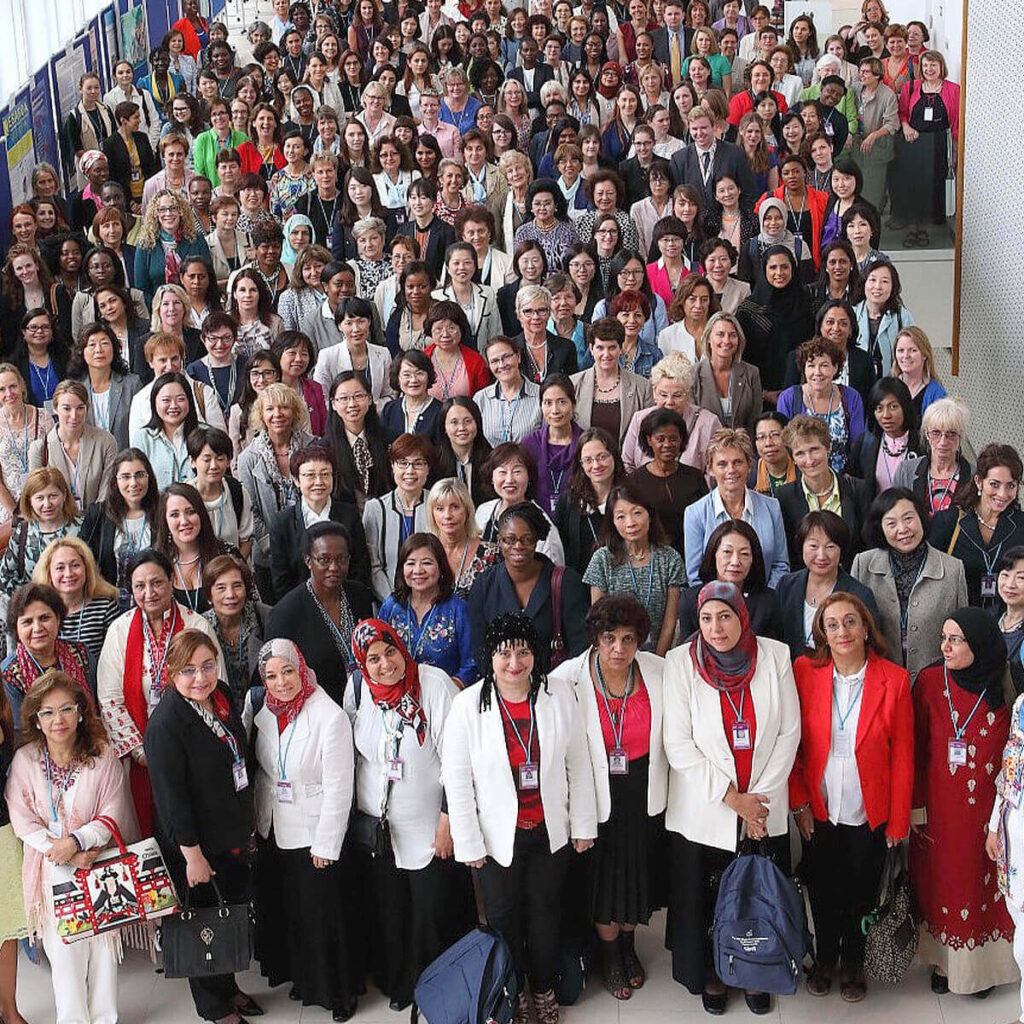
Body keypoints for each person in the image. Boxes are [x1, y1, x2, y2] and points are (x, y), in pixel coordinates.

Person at [443, 611, 597, 1024]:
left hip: (549, 832)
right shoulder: (467, 705)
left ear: (536, 654)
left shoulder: (558, 694)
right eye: (504, 653)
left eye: (523, 652)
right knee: (503, 918)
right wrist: (469, 842)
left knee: (546, 914)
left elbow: (578, 762)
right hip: (497, 839)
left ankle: (543, 987)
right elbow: (457, 781)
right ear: (489, 657)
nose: (515, 663)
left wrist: (583, 825)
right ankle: (512, 992)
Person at [662, 581, 800, 1015]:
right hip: (705, 810)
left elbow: (789, 733)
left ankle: (758, 970)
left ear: (742, 616)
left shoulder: (775, 656)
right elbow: (678, 744)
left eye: (725, 616)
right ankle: (713, 972)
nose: (716, 628)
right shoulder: (679, 662)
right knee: (705, 899)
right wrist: (733, 800)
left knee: (758, 897)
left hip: (762, 806)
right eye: (706, 619)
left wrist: (757, 802)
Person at [790, 592, 914, 1001]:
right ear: (822, 634)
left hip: (869, 809)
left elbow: (903, 756)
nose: (841, 631)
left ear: (865, 628)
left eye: (849, 622)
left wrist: (898, 821)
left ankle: (854, 962)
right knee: (822, 889)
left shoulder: (894, 679)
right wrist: (799, 802)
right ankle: (825, 957)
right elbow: (791, 744)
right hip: (820, 808)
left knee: (861, 891)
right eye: (832, 625)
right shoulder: (805, 672)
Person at [547, 594, 667, 1000]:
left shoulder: (657, 671)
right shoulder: (568, 678)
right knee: (604, 882)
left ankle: (628, 947)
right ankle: (610, 956)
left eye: (629, 639)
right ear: (596, 638)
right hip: (594, 794)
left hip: (642, 791)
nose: (619, 648)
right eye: (609, 638)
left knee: (637, 875)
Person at [345, 618, 468, 1013]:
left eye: (390, 651)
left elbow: (458, 758)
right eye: (373, 659)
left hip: (428, 825)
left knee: (429, 910)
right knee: (391, 908)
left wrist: (448, 819)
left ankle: (430, 981)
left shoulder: (433, 685)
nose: (385, 665)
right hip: (380, 827)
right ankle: (399, 980)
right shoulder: (359, 689)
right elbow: (354, 752)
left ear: (402, 647)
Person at [6, 669, 138, 1024]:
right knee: (65, 959)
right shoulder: (25, 760)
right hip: (52, 873)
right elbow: (22, 819)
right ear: (36, 719)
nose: (58, 720)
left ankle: (105, 1019)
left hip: (100, 867)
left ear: (81, 711)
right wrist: (62, 851)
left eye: (66, 709)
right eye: (47, 712)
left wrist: (79, 842)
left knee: (104, 955)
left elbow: (114, 810)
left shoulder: (102, 755)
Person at [144, 629, 263, 1024]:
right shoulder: (165, 724)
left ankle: (228, 987)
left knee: (226, 913)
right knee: (202, 922)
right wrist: (192, 855)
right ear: (171, 674)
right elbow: (171, 800)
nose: (200, 677)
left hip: (227, 833)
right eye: (188, 670)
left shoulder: (222, 696)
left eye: (207, 666)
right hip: (193, 845)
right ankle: (213, 1006)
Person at [249, 637, 357, 1022]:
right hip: (276, 827)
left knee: (324, 916)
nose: (281, 683)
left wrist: (327, 843)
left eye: (288, 671)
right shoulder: (263, 710)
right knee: (295, 913)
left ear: (302, 668)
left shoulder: (329, 715)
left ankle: (339, 993)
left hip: (315, 832)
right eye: (271, 675)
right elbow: (263, 773)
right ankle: (306, 982)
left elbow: (340, 787)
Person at [912, 609, 1018, 996]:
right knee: (944, 884)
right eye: (944, 638)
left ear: (980, 644)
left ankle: (981, 971)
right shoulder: (929, 682)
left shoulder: (1005, 682)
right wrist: (915, 808)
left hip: (988, 814)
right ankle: (945, 963)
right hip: (939, 811)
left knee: (980, 885)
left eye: (955, 640)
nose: (945, 647)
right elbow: (914, 749)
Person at [97, 550, 223, 837]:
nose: (149, 593)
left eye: (157, 583)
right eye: (140, 586)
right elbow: (109, 699)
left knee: (191, 830)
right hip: (139, 758)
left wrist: (175, 753)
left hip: (191, 751)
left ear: (171, 580)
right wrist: (143, 753)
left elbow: (214, 689)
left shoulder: (196, 625)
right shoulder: (119, 630)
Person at [852, 488, 967, 682]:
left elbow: (961, 633)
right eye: (891, 523)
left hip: (935, 681)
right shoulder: (863, 565)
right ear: (880, 528)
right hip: (879, 679)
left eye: (908, 519)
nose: (903, 529)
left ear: (922, 517)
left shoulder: (952, 569)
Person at [468, 503, 587, 671]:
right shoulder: (484, 585)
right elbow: (480, 649)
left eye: (526, 539)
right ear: (499, 541)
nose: (518, 546)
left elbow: (580, 647)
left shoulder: (565, 582)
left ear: (536, 540)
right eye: (510, 539)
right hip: (502, 682)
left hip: (556, 681)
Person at [584, 484, 685, 657]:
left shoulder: (670, 559)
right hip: (615, 654)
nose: (630, 523)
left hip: (659, 655)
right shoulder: (602, 559)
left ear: (650, 515)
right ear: (612, 521)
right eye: (621, 516)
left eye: (637, 513)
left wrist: (657, 661)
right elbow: (598, 622)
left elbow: (670, 622)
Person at [683, 427, 790, 587]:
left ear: (749, 465)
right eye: (722, 464)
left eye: (737, 462)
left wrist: (765, 599)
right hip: (714, 600)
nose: (731, 470)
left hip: (765, 599)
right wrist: (721, 600)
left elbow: (780, 565)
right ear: (710, 469)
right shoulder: (695, 513)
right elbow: (695, 576)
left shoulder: (771, 507)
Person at [930, 444, 1024, 611]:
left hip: (1007, 621)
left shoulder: (1021, 524)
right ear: (979, 481)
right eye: (994, 484)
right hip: (957, 618)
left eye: (1010, 486)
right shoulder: (948, 521)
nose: (1002, 494)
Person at [776, 510, 879, 659]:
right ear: (801, 546)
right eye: (813, 546)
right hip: (791, 669)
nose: (821, 556)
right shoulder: (786, 585)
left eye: (830, 547)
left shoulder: (859, 594)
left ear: (841, 550)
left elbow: (870, 645)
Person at [379, 532, 477, 687]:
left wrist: (446, 690)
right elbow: (377, 653)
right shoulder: (391, 606)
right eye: (410, 563)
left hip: (446, 696)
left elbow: (471, 664)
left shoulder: (458, 609)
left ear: (441, 567)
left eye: (427, 563)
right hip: (398, 695)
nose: (418, 570)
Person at [774, 414, 869, 564]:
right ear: (793, 459)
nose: (809, 460)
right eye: (800, 453)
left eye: (814, 449)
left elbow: (867, 546)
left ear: (828, 448)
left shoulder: (858, 490)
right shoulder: (783, 497)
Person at [1, 581, 93, 731]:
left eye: (44, 618)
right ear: (16, 628)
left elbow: (96, 709)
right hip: (35, 744)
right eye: (27, 622)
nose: (37, 628)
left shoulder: (81, 654)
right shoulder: (9, 674)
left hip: (88, 737)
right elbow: (20, 731)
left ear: (58, 619)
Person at [0, 469, 82, 633]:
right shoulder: (22, 531)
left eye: (53, 496)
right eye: (40, 498)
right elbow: (5, 577)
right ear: (29, 501)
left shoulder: (83, 528)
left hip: (74, 615)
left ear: (64, 495)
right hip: (31, 617)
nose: (47, 504)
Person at [678, 519, 784, 641]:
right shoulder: (691, 600)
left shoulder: (768, 602)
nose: (735, 562)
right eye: (727, 552)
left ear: (753, 559)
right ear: (714, 554)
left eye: (744, 554)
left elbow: (774, 648)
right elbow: (686, 648)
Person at [736, 246, 815, 403]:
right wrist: (763, 394)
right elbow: (742, 358)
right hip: (760, 395)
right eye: (773, 267)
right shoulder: (749, 310)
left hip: (804, 392)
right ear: (764, 270)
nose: (779, 273)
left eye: (785, 267)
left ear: (793, 269)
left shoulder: (808, 304)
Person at [776, 337, 866, 473]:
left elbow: (857, 445)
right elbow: (784, 445)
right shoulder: (789, 397)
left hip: (842, 477)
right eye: (811, 366)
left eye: (824, 365)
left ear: (835, 368)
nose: (817, 372)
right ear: (804, 369)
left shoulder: (851, 397)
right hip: (801, 476)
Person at [362, 433, 434, 602]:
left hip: (432, 602)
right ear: (392, 466)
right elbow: (373, 566)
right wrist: (394, 602)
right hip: (386, 603)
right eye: (403, 463)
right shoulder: (375, 509)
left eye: (418, 463)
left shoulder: (438, 505)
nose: (410, 471)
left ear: (428, 468)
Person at [27, 380, 118, 512]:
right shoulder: (39, 449)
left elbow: (106, 491)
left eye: (80, 408)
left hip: (97, 519)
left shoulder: (106, 442)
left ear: (87, 408)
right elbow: (37, 495)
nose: (74, 416)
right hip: (55, 520)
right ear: (55, 408)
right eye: (67, 408)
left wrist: (92, 520)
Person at [626, 409, 708, 552]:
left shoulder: (695, 477)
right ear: (649, 440)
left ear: (681, 440)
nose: (667, 444)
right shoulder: (634, 482)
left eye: (673, 439)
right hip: (650, 556)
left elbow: (705, 520)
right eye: (660, 439)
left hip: (691, 552)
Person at [31, 536, 119, 664]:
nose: (68, 574)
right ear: (49, 573)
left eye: (75, 565)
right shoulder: (38, 612)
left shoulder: (105, 608)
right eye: (60, 568)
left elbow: (115, 658)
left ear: (86, 568)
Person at [571, 318, 653, 447]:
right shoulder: (573, 384)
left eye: (612, 348)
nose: (606, 354)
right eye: (600, 348)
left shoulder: (642, 387)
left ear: (620, 348)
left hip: (626, 458)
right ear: (591, 349)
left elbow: (649, 433)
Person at [892, 397, 972, 518]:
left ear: (960, 437)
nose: (943, 442)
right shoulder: (906, 471)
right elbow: (895, 513)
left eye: (951, 434)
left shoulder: (974, 476)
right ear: (927, 434)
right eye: (936, 433)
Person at [0, 363, 54, 542]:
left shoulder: (43, 417)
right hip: (6, 509)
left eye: (13, 386)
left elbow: (53, 464)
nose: (9, 393)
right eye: (2, 389)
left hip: (43, 503)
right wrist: (16, 513)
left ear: (22, 386)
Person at [849, 376, 923, 503]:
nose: (886, 415)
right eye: (879, 408)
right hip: (875, 514)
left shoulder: (921, 443)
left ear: (905, 407)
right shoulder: (865, 444)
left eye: (893, 407)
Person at [690, 312, 763, 438]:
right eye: (720, 334)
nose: (726, 340)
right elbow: (691, 421)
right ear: (708, 338)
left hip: (743, 446)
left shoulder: (751, 373)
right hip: (705, 446)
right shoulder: (693, 374)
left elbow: (755, 420)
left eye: (732, 335)